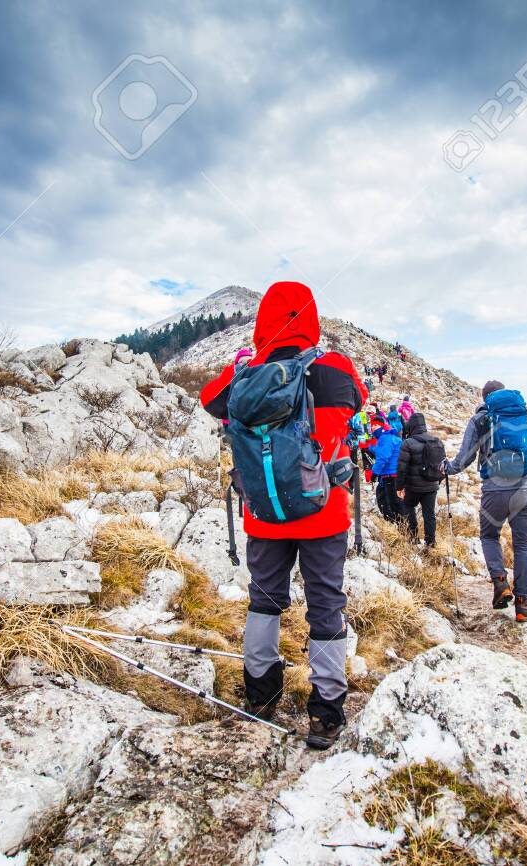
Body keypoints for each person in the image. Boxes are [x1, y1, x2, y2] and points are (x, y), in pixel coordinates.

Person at [200, 281, 367, 750]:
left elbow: (209, 400)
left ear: (262, 321)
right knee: (326, 605)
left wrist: (245, 362)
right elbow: (360, 397)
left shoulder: (245, 376)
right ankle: (326, 712)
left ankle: (260, 693)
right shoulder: (333, 369)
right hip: (324, 514)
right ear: (310, 316)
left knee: (264, 599)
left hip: (265, 515)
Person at [443, 380, 527, 621]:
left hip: (494, 490)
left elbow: (463, 460)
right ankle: (524, 604)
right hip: (526, 490)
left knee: (489, 536)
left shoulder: (480, 420)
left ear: (485, 399)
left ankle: (501, 583)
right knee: (523, 546)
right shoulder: (526, 416)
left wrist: (446, 468)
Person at [396, 412, 445, 547]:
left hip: (413, 487)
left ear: (411, 426)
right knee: (429, 514)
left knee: (408, 507)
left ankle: (413, 538)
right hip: (432, 486)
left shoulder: (408, 443)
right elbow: (442, 466)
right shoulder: (437, 441)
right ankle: (430, 542)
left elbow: (401, 468)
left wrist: (399, 487)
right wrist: (437, 481)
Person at [370, 418, 404, 523]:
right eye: (372, 425)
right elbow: (382, 451)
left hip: (391, 475)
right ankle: (396, 522)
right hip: (393, 474)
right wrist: (369, 446)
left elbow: (383, 457)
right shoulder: (389, 437)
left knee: (393, 502)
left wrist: (374, 473)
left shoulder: (385, 438)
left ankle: (400, 525)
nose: (373, 427)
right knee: (385, 499)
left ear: (383, 426)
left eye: (376, 425)